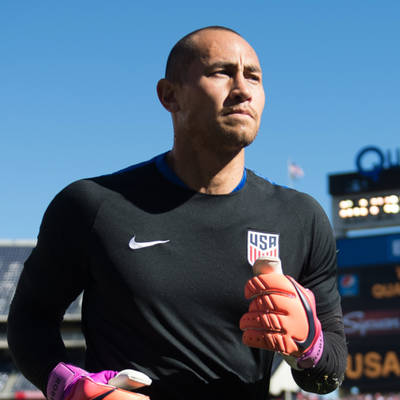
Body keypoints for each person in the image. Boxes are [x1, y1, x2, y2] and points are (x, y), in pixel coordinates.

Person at [7, 26, 347, 400]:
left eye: (253, 76)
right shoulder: (91, 204)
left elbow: (327, 376)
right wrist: (70, 386)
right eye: (221, 72)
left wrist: (309, 344)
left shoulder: (301, 218)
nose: (242, 89)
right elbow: (29, 325)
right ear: (169, 95)